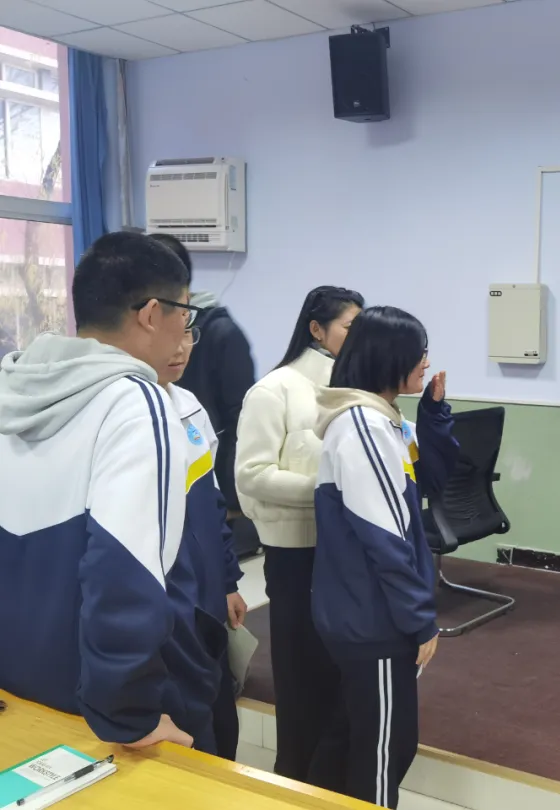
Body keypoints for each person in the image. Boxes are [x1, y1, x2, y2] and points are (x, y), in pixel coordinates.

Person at [0, 231, 221, 751]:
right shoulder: (136, 402)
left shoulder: (14, 390)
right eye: (185, 313)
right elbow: (124, 574)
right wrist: (130, 714)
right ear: (152, 314)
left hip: (18, 682)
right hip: (101, 705)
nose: (185, 331)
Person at [308, 305, 459, 808]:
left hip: (366, 612)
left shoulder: (385, 422)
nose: (425, 362)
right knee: (385, 749)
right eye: (419, 352)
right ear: (388, 357)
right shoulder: (363, 426)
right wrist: (419, 619)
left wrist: (434, 415)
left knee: (351, 735)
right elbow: (385, 537)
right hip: (372, 617)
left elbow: (431, 480)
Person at [234, 285, 364, 781]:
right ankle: (296, 777)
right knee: (301, 677)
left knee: (341, 675)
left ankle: (333, 778)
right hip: (296, 554)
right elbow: (251, 475)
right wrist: (328, 492)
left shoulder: (356, 388)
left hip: (345, 550)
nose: (358, 336)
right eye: (350, 326)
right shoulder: (275, 390)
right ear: (316, 329)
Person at [160, 322, 247, 761]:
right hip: (171, 610)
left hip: (209, 600)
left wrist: (229, 581)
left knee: (222, 719)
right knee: (193, 736)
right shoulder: (130, 415)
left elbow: (212, 505)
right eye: (170, 334)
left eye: (188, 334)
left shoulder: (189, 406)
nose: (181, 348)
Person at [148, 234, 259, 559]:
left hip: (212, 486)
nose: (180, 347)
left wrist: (232, 500)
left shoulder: (221, 332)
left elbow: (240, 421)